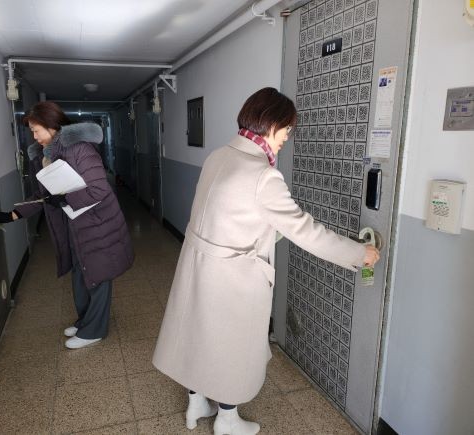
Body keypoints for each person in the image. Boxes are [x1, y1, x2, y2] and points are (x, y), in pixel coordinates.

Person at [152, 88, 380, 435]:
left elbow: (227, 215)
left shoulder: (218, 156)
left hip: (198, 267)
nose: (287, 137)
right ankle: (227, 421)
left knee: (197, 335)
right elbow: (307, 232)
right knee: (232, 348)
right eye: (287, 129)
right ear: (271, 123)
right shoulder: (263, 175)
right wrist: (359, 253)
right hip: (234, 277)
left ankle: (196, 403)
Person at [0, 101, 134, 350]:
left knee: (98, 275)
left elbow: (99, 189)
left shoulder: (81, 149)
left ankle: (94, 331)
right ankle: (85, 321)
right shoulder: (46, 155)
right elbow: (43, 194)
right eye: (32, 132)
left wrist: (66, 198)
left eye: (36, 130)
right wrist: (12, 215)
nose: (34, 137)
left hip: (97, 223)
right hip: (76, 223)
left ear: (51, 125)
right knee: (80, 272)